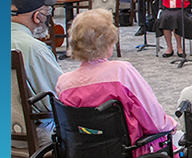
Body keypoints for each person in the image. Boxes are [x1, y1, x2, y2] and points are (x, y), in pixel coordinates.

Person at [55, 9, 178, 156]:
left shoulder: (63, 84)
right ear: (107, 41)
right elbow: (154, 121)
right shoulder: (121, 73)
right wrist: (170, 125)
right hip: (129, 150)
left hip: (86, 152)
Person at [9, 0, 64, 150]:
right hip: (31, 135)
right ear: (37, 16)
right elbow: (58, 97)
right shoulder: (34, 49)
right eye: (46, 12)